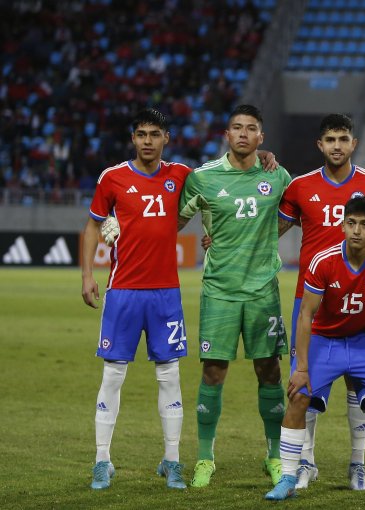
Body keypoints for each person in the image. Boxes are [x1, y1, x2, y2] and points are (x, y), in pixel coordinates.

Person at [177, 104, 293, 488]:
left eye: (251, 129)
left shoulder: (277, 176)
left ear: (262, 138)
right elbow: (172, 221)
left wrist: (263, 238)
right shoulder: (203, 178)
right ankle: (205, 458)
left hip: (263, 291)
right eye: (237, 128)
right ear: (226, 135)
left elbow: (294, 215)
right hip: (220, 290)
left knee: (270, 370)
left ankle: (275, 455)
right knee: (213, 371)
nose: (243, 134)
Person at [264, 197, 365, 502]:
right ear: (343, 225)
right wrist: (301, 369)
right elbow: (306, 315)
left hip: (364, 341)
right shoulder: (323, 260)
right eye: (351, 223)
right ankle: (288, 476)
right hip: (324, 342)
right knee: (298, 396)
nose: (356, 230)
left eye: (364, 224)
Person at [81, 108, 190, 490]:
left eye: (154, 133)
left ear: (166, 138)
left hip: (165, 294)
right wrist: (87, 275)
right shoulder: (112, 178)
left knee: (169, 376)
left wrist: (262, 158)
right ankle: (101, 460)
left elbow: (218, 183)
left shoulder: (181, 175)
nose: (147, 140)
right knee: (112, 375)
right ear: (133, 138)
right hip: (123, 292)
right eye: (141, 133)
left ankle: (172, 461)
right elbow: (92, 226)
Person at [277, 113, 365, 491]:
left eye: (343, 138)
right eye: (330, 139)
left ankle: (358, 464)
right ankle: (305, 460)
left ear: (353, 143)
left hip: (361, 300)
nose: (337, 145)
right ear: (319, 145)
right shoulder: (299, 187)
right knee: (303, 384)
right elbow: (272, 229)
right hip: (310, 301)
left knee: (362, 385)